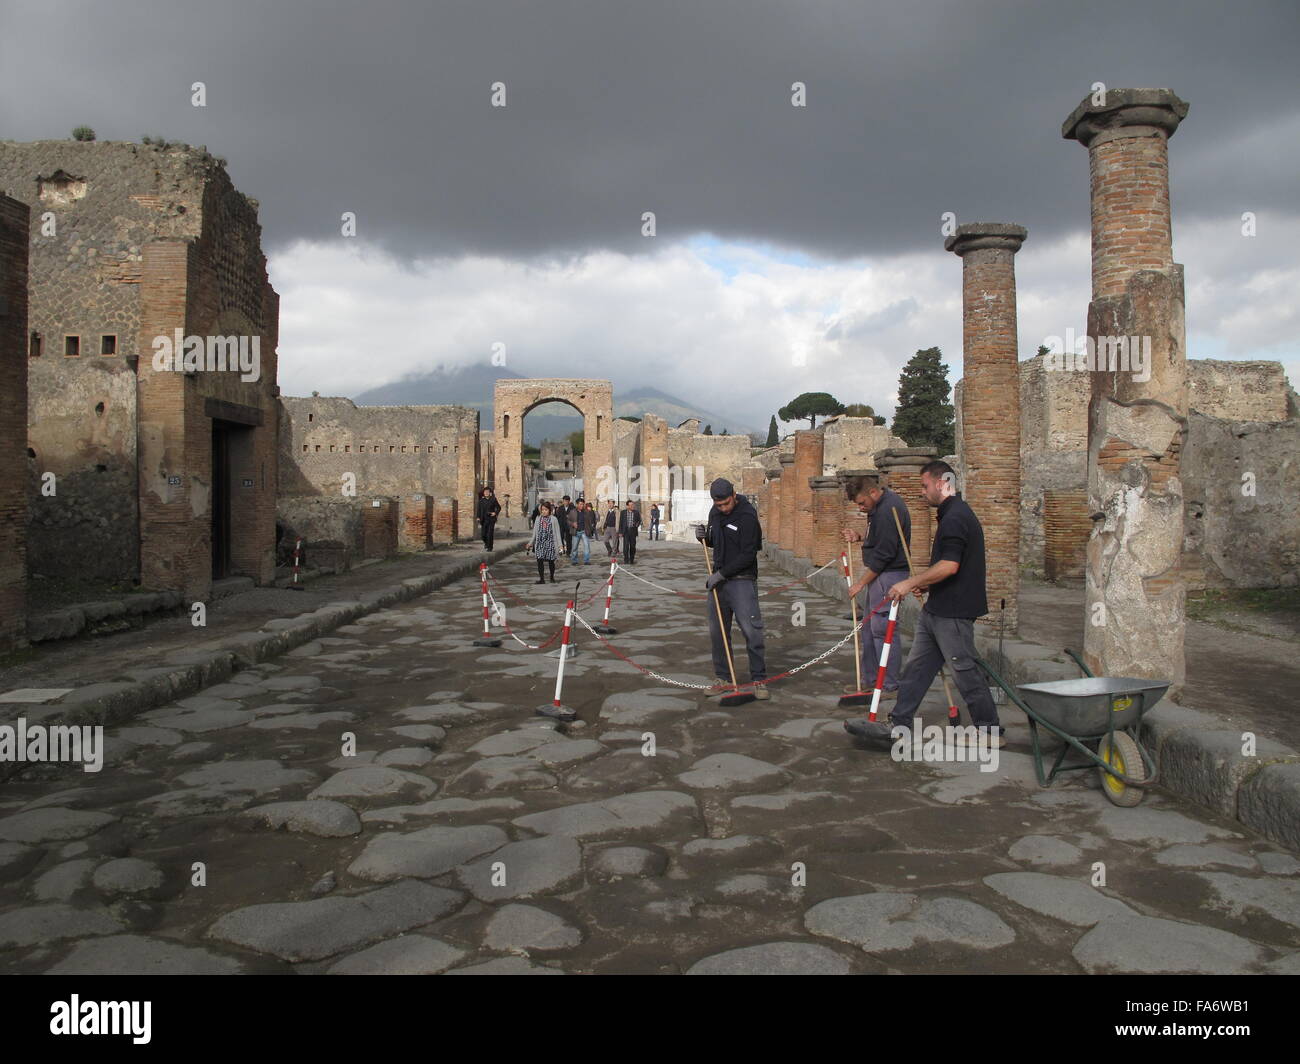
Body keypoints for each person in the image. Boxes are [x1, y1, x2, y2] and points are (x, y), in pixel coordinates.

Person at [845, 460, 1004, 747]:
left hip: (955, 611)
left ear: (943, 483)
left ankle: (989, 730)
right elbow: (945, 567)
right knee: (917, 669)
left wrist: (911, 582)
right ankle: (899, 723)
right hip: (937, 608)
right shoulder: (948, 515)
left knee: (963, 669)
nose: (922, 492)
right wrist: (927, 584)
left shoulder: (956, 516)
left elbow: (950, 566)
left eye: (925, 485)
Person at [841, 474, 911, 700]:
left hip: (889, 577)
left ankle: (888, 685)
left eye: (862, 503)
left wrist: (861, 583)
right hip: (881, 576)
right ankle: (872, 681)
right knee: (870, 630)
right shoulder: (878, 509)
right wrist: (860, 537)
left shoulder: (888, 510)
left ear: (873, 492)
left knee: (884, 630)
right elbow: (879, 541)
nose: (861, 508)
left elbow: (884, 554)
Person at [697, 478, 768, 700]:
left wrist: (722, 574)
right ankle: (724, 678)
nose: (723, 509)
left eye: (726, 504)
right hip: (719, 582)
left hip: (742, 580)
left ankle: (759, 679)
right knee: (717, 632)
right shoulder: (714, 513)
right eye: (719, 505)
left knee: (751, 630)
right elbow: (715, 541)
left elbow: (749, 554)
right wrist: (704, 538)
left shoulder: (747, 515)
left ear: (734, 495)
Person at [527, 501, 562, 583]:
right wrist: (530, 543)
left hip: (551, 543)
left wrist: (560, 545)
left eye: (546, 510)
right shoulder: (538, 519)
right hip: (540, 543)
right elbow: (535, 533)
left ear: (549, 510)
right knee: (539, 561)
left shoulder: (554, 519)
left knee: (551, 562)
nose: (544, 511)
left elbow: (557, 533)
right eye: (542, 510)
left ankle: (552, 577)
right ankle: (541, 579)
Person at [570, 499, 596, 565]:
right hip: (576, 532)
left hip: (584, 531)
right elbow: (568, 520)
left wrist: (591, 529)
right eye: (580, 504)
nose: (582, 505)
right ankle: (574, 560)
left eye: (583, 504)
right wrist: (573, 524)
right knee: (575, 547)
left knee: (587, 546)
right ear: (577, 504)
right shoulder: (572, 512)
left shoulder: (586, 512)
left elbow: (590, 521)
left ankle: (586, 560)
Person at [476, 487, 501, 552]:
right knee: (483, 535)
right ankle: (486, 543)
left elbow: (499, 507)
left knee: (490, 534)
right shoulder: (481, 501)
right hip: (483, 519)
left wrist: (495, 513)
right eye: (485, 492)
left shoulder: (493, 499)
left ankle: (490, 547)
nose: (486, 493)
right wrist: (478, 517)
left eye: (487, 492)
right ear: (483, 493)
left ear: (490, 493)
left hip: (491, 519)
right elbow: (478, 510)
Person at [618, 499, 641, 564]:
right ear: (627, 506)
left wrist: (636, 524)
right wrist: (620, 532)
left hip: (633, 531)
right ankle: (626, 559)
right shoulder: (623, 512)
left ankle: (631, 559)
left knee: (633, 546)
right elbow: (621, 523)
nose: (632, 506)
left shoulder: (636, 512)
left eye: (632, 505)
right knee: (626, 546)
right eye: (630, 505)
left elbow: (639, 521)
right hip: (626, 531)